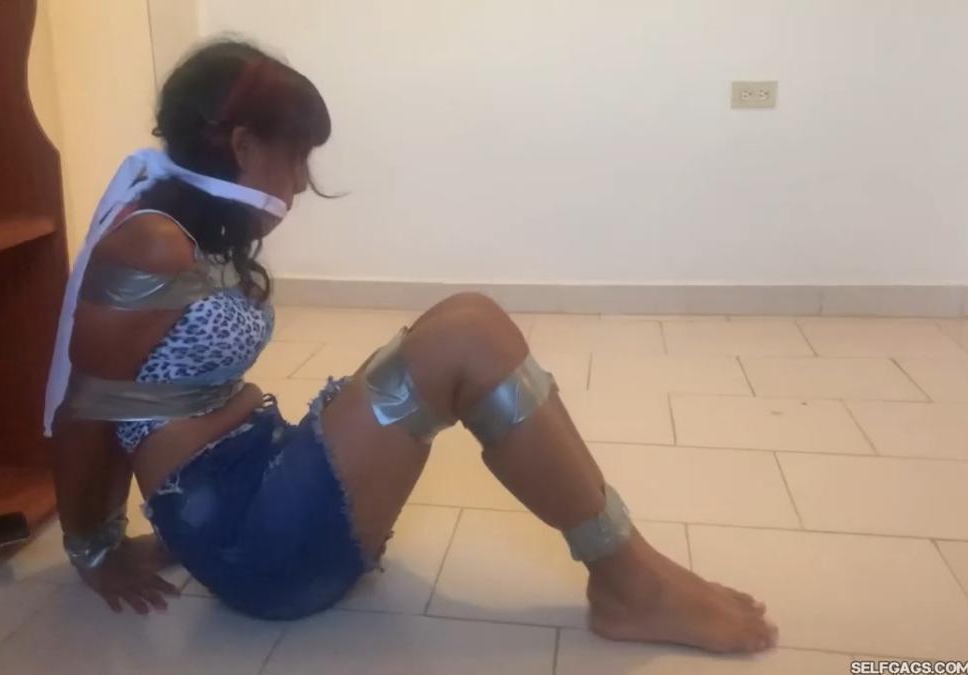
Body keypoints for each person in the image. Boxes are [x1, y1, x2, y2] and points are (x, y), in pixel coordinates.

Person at [44, 40, 777, 654]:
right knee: (467, 333)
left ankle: (630, 571)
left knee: (460, 324)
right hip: (254, 545)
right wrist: (96, 549)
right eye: (297, 158)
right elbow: (87, 407)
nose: (301, 182)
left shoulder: (198, 234)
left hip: (258, 486)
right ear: (242, 147)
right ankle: (630, 584)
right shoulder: (152, 244)